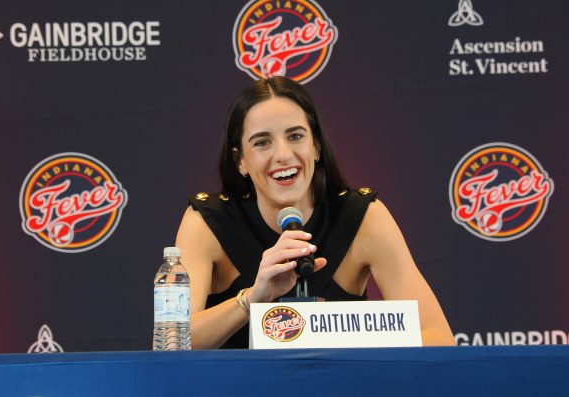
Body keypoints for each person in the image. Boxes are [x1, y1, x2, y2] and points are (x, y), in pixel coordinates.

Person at [175, 76, 455, 348]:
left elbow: (439, 339)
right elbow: (170, 347)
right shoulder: (207, 222)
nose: (283, 154)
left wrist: (327, 332)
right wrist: (251, 300)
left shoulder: (362, 217)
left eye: (295, 136)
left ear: (316, 147)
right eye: (262, 142)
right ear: (240, 161)